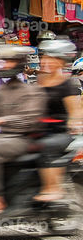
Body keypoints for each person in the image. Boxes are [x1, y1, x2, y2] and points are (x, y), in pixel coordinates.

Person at [0, 45, 46, 217]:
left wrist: (1, 120)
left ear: (19, 64)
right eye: (3, 61)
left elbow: (29, 119)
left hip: (21, 139)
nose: (4, 65)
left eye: (9, 61)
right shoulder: (1, 92)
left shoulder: (31, 91)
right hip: (4, 137)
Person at [35, 39, 82, 201]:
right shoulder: (40, 81)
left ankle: (53, 189)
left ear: (60, 61)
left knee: (47, 145)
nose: (45, 61)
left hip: (60, 131)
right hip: (39, 128)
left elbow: (75, 113)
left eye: (51, 58)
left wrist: (74, 126)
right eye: (44, 57)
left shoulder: (68, 85)